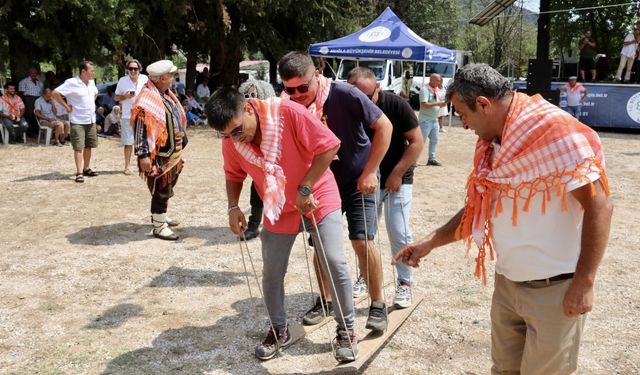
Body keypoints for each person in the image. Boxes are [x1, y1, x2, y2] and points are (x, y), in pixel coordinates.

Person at [393, 64, 613, 375]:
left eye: (462, 114)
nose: (464, 125)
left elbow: (599, 206)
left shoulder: (555, 132)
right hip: (508, 285)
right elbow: (480, 207)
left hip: (556, 291)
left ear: (483, 104)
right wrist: (430, 242)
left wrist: (585, 281)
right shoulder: (495, 142)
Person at [205, 87, 358, 363]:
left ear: (249, 109)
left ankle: (346, 329)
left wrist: (306, 188)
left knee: (334, 261)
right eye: (226, 135)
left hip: (316, 195)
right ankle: (279, 329)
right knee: (272, 272)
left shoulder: (288, 112)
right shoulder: (233, 140)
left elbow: (330, 145)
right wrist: (233, 206)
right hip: (278, 205)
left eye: (237, 130)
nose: (234, 139)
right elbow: (233, 173)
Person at [278, 51, 392, 332]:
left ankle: (377, 303)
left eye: (303, 88)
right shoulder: (287, 105)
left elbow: (385, 127)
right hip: (321, 182)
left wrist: (370, 171)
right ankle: (326, 301)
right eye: (289, 89)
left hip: (357, 178)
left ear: (316, 75)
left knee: (361, 241)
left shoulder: (345, 94)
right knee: (321, 244)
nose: (297, 94)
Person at [347, 67, 423, 308]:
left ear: (377, 88)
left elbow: (417, 141)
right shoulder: (346, 106)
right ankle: (365, 277)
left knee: (398, 231)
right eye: (356, 97)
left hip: (395, 178)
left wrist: (397, 173)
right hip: (365, 179)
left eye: (367, 98)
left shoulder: (397, 105)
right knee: (364, 234)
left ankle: (405, 282)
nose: (362, 103)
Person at [131, 60, 187, 241]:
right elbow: (140, 128)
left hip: (173, 150)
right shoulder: (147, 99)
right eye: (170, 75)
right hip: (160, 153)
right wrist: (143, 154)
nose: (172, 78)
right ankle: (159, 225)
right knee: (161, 187)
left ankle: (160, 215)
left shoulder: (166, 94)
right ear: (162, 78)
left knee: (169, 184)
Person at [236, 79, 277, 240]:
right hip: (258, 158)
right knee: (257, 189)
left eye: (253, 95)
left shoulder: (274, 115)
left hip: (275, 155)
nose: (250, 98)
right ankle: (254, 225)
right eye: (246, 95)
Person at [53, 61, 99, 183]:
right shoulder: (71, 83)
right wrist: (66, 106)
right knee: (78, 147)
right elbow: (55, 93)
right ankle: (79, 172)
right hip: (78, 120)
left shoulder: (92, 83)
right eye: (91, 71)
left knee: (89, 146)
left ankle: (86, 168)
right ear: (83, 71)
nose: (93, 73)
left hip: (91, 119)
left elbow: (95, 94)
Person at [115, 59, 149, 175]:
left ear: (139, 69)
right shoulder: (122, 81)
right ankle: (127, 166)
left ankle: (143, 164)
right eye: (130, 69)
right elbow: (116, 98)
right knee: (128, 142)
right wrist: (125, 96)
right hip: (127, 115)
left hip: (143, 114)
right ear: (127, 70)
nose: (133, 71)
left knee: (143, 141)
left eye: (135, 69)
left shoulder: (145, 79)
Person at [419, 73, 446, 166]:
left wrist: (442, 103)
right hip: (425, 120)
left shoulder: (437, 89)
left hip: (434, 119)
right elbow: (423, 105)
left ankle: (431, 159)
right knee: (420, 141)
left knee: (434, 140)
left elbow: (437, 101)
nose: (440, 82)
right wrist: (438, 104)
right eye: (438, 80)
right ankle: (412, 160)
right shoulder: (425, 90)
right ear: (432, 80)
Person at [18, 67, 44, 136]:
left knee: (38, 114)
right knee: (30, 115)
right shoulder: (24, 81)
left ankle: (37, 131)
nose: (34, 74)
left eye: (35, 73)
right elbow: (21, 93)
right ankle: (30, 132)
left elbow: (41, 92)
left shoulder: (40, 82)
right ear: (29, 73)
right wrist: (25, 102)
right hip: (28, 99)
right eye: (32, 73)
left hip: (39, 99)